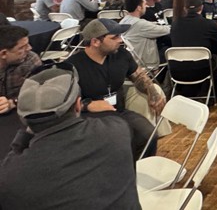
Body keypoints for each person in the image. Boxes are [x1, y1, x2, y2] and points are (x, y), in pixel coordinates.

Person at [0, 65, 140, 209]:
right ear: (78, 106)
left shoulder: (10, 177)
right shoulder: (117, 129)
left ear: (23, 118)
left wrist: (23, 137)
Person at [67, 19, 165, 160]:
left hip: (118, 112)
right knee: (118, 141)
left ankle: (136, 171)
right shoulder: (72, 66)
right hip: (88, 119)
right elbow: (62, 104)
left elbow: (138, 75)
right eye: (115, 37)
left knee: (148, 135)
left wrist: (152, 91)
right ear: (95, 42)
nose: (120, 40)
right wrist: (87, 105)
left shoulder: (121, 55)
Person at [119, 0, 171, 68]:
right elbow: (166, 30)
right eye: (144, 4)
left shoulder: (124, 20)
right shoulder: (140, 24)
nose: (146, 6)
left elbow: (146, 26)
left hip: (134, 59)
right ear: (139, 8)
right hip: (146, 63)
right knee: (170, 52)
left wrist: (154, 23)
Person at [0, 26, 42, 114]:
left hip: (22, 111)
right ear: (3, 53)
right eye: (22, 47)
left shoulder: (30, 60)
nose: (29, 48)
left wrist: (13, 102)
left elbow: (40, 90)